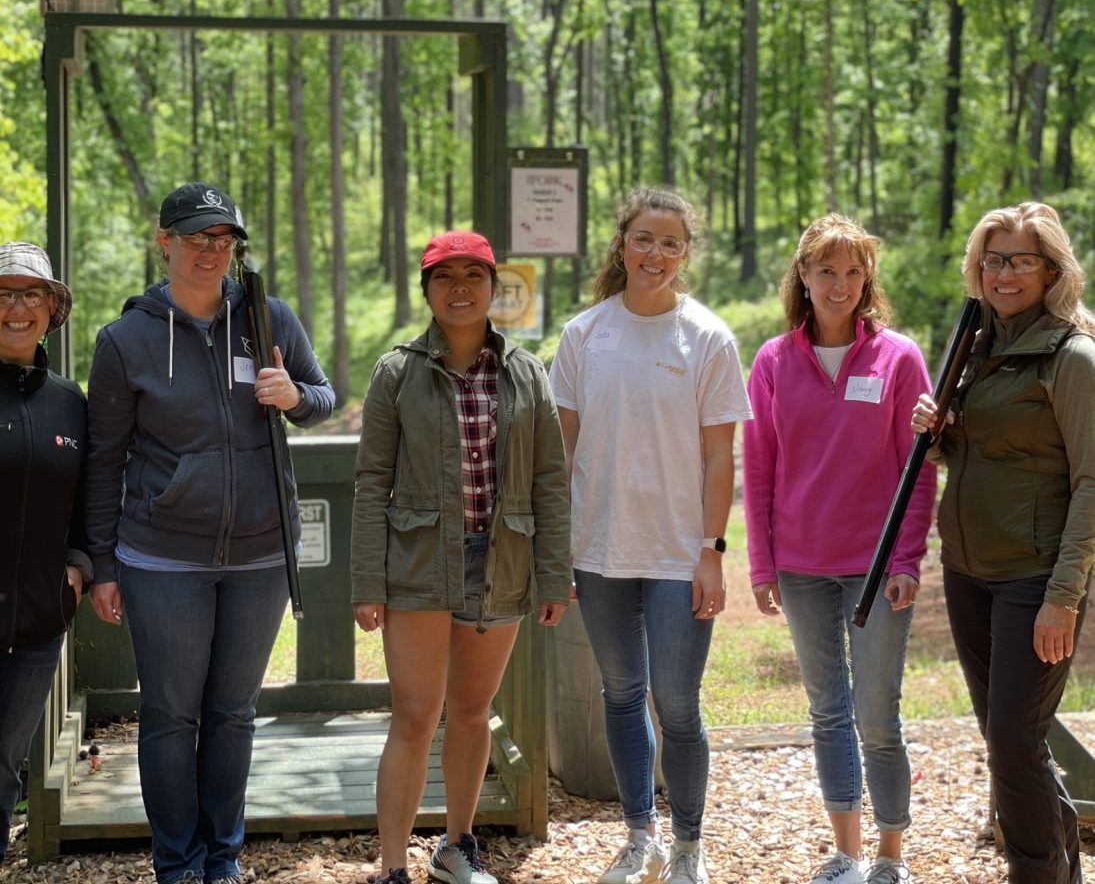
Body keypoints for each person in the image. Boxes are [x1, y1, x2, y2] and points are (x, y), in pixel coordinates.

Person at [85, 182, 334, 884]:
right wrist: (102, 562)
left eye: (222, 240)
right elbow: (103, 461)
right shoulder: (125, 340)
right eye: (195, 237)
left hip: (258, 555)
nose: (209, 251)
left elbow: (321, 398)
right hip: (160, 558)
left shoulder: (269, 318)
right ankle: (177, 863)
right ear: (162, 241)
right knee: (169, 715)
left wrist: (295, 397)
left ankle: (221, 858)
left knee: (233, 714)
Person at [351, 230, 570, 884]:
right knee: (416, 714)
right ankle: (393, 864)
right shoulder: (396, 371)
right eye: (444, 277)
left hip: (500, 559)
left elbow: (550, 479)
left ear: (491, 287)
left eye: (473, 276)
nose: (459, 289)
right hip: (418, 564)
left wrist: (553, 572)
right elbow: (370, 480)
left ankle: (457, 846)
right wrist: (368, 580)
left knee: (472, 710)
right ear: (426, 290)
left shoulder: (525, 371)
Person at [548, 187, 751, 884]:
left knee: (678, 702)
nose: (654, 254)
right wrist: (557, 551)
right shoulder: (583, 335)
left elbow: (720, 457)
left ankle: (689, 844)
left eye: (669, 242)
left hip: (677, 552)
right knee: (619, 691)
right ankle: (641, 836)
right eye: (643, 238)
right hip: (598, 549)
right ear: (621, 244)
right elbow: (562, 452)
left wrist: (711, 551)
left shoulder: (708, 338)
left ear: (685, 253)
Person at [743, 213, 935, 884]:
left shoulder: (898, 358)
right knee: (826, 710)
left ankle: (890, 854)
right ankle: (846, 853)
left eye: (853, 271)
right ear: (802, 274)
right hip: (799, 566)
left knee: (876, 714)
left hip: (876, 567)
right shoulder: (771, 360)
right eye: (826, 269)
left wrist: (907, 557)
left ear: (866, 280)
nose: (840, 283)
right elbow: (758, 464)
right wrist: (761, 563)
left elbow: (918, 466)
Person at [912, 202, 1095, 884]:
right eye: (993, 258)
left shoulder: (1071, 355)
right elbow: (977, 455)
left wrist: (1062, 595)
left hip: (1033, 578)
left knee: (1013, 746)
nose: (1004, 272)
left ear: (1050, 269)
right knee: (1009, 740)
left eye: (1019, 259)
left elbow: (1090, 481)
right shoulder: (979, 345)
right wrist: (938, 431)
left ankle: (1032, 873)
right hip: (966, 571)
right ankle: (1060, 873)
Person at [0, 242, 90, 863]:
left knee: (4, 766)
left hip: (37, 623)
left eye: (30, 293)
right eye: (3, 294)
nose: (16, 307)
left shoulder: (70, 402)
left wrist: (80, 570)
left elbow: (91, 501)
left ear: (51, 307)